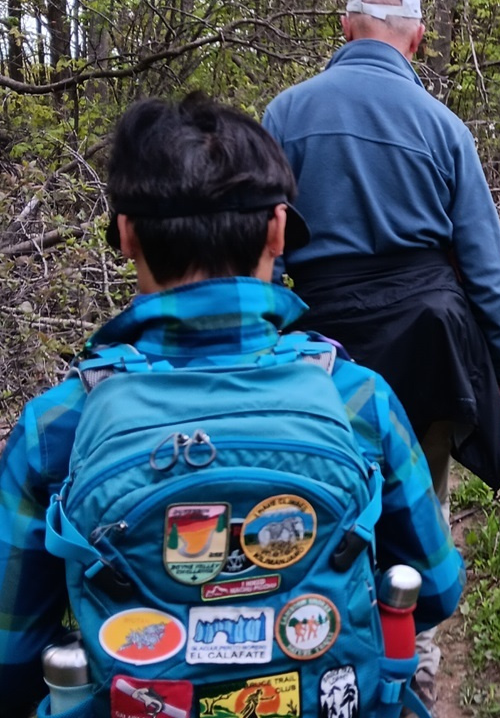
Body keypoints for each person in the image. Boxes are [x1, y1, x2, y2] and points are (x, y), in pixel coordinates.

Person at [0, 94, 463, 716]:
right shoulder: (357, 400)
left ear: (127, 235)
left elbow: (10, 655)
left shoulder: (57, 427)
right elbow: (434, 589)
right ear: (278, 229)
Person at [263, 0, 500, 709]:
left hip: (321, 353)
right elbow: (485, 264)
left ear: (345, 27)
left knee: (316, 503)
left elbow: (260, 250)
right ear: (418, 37)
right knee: (423, 500)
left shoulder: (284, 114)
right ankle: (417, 659)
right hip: (426, 347)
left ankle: (324, 652)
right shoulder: (443, 127)